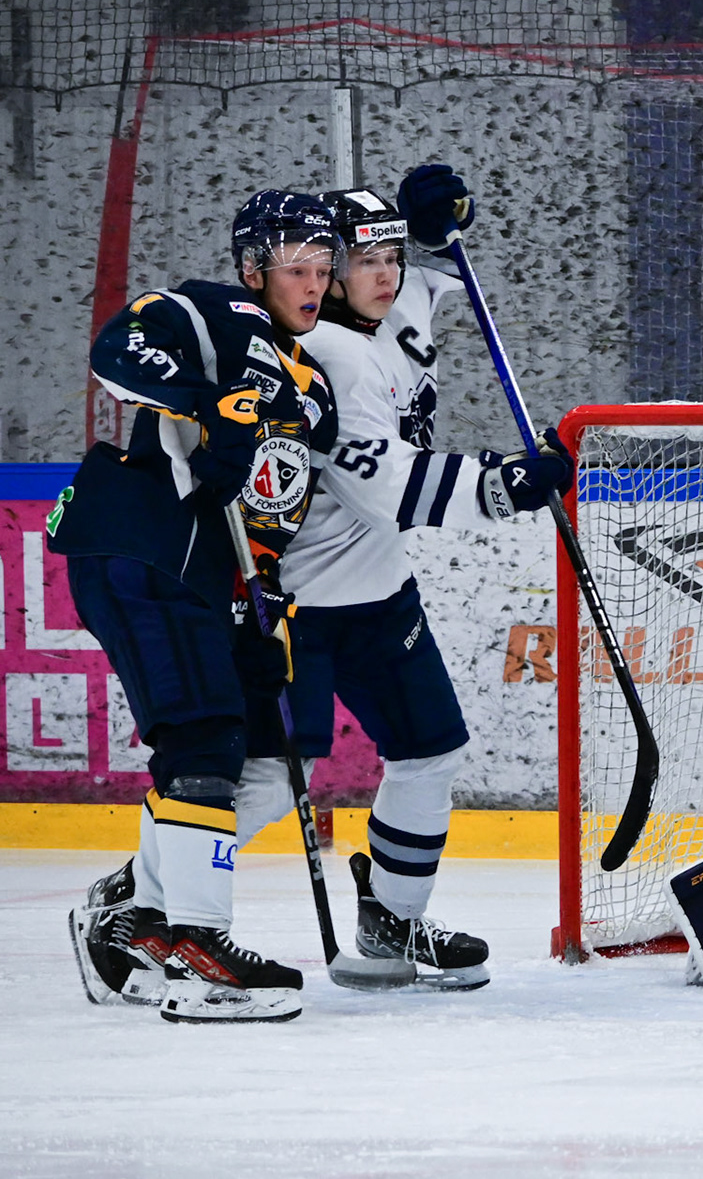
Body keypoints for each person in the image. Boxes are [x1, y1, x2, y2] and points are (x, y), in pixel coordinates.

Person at [222, 165, 569, 990]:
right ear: (324, 273)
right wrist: (504, 484)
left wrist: (436, 226)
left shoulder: (384, 301)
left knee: (430, 752)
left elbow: (423, 275)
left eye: (390, 259)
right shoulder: (327, 354)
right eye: (362, 261)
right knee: (269, 785)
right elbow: (387, 489)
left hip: (380, 596)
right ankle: (141, 900)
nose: (384, 275)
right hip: (298, 606)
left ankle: (393, 923)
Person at [57, 190, 342, 1023]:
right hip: (148, 544)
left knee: (255, 760)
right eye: (295, 267)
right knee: (203, 743)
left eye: (322, 269)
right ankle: (197, 951)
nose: (313, 284)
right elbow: (116, 350)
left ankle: (138, 920)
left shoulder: (313, 389)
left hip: (216, 578)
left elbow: (274, 509)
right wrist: (203, 400)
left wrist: (264, 606)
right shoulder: (214, 313)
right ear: (253, 269)